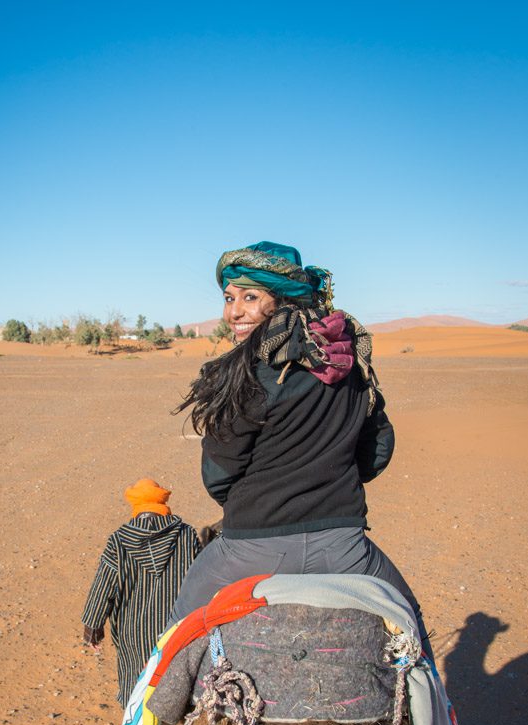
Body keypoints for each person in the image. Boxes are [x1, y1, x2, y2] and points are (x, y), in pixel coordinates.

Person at [168, 240, 431, 654]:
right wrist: (326, 476)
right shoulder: (351, 370)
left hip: (247, 548)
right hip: (344, 548)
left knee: (175, 636)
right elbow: (377, 451)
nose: (232, 311)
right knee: (410, 630)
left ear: (282, 300)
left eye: (249, 297)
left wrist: (259, 502)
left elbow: (217, 477)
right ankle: (437, 718)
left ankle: (149, 714)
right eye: (229, 297)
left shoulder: (243, 376)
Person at [82, 478, 201, 706]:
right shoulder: (186, 536)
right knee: (175, 674)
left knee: (135, 680)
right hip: (175, 627)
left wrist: (93, 626)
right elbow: (200, 578)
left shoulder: (119, 540)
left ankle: (135, 722)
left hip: (133, 631)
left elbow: (103, 584)